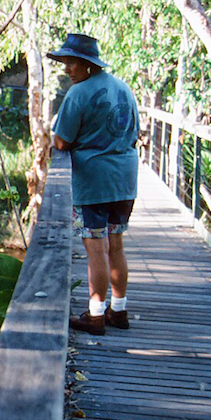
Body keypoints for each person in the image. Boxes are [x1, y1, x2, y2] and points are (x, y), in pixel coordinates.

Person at [49, 33, 140, 335]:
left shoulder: (79, 92)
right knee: (116, 245)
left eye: (72, 62)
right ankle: (119, 310)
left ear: (88, 64)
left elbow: (62, 141)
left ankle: (96, 316)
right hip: (124, 179)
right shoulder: (123, 88)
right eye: (65, 62)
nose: (67, 69)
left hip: (94, 181)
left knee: (96, 250)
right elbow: (134, 132)